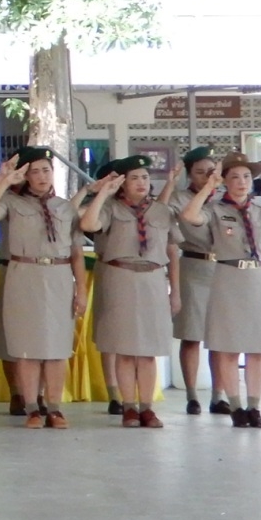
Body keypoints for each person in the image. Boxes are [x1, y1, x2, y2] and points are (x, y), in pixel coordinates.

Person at [0, 146, 87, 430]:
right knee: (27, 346)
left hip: (58, 275)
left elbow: (76, 252)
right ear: (25, 176)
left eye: (46, 170)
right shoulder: (12, 202)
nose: (41, 176)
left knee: (57, 347)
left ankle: (55, 408)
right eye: (34, 172)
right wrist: (4, 180)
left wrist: (82, 290)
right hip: (23, 273)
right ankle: (32, 408)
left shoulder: (65, 207)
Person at [180, 153, 261, 427]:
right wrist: (208, 187)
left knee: (257, 347)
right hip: (227, 277)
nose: (242, 182)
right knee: (228, 347)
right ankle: (236, 406)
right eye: (234, 177)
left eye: (247, 176)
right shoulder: (215, 210)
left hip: (257, 278)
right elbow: (189, 215)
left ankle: (254, 407)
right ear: (224, 181)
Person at [79, 156, 177, 429]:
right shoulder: (110, 208)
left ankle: (147, 407)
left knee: (148, 350)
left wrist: (175, 291)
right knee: (124, 348)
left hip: (153, 279)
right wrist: (103, 194)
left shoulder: (161, 211)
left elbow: (172, 249)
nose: (141, 183)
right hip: (120, 278)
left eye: (145, 177)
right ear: (122, 183)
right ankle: (129, 406)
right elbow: (88, 225)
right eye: (134, 178)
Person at [163, 146, 222, 413]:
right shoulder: (180, 198)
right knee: (191, 335)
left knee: (222, 337)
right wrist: (170, 183)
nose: (207, 177)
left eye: (211, 171)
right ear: (189, 175)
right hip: (194, 266)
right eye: (200, 172)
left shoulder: (224, 197)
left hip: (223, 269)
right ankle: (192, 396)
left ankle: (219, 396)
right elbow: (159, 211)